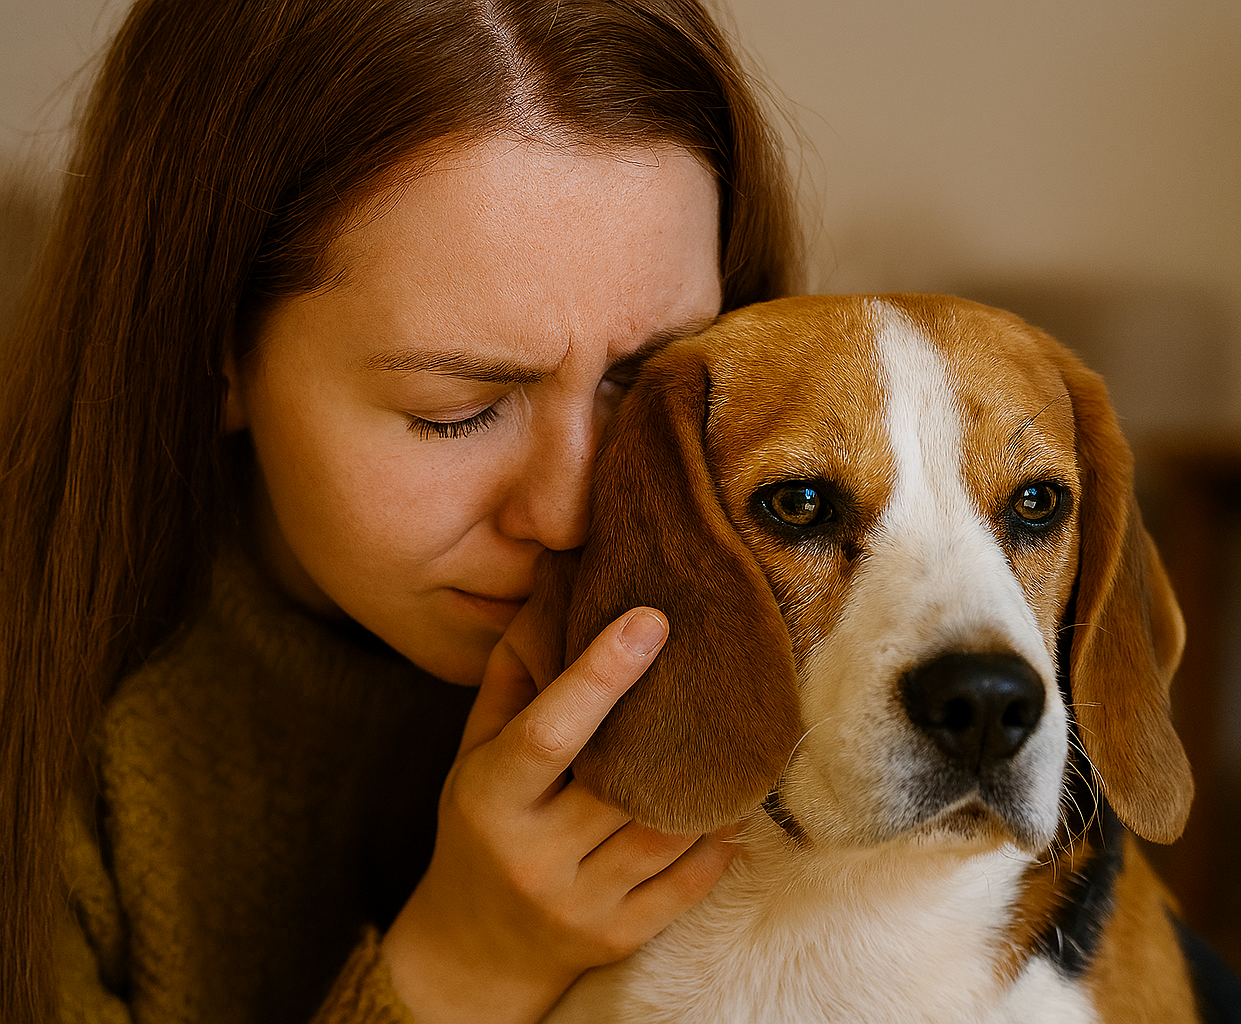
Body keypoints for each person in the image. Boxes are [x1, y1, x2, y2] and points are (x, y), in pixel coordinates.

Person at [0, 1, 802, 1021]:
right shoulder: (61, 748)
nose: (570, 514)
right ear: (215, 349)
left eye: (645, 383)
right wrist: (468, 967)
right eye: (453, 411)